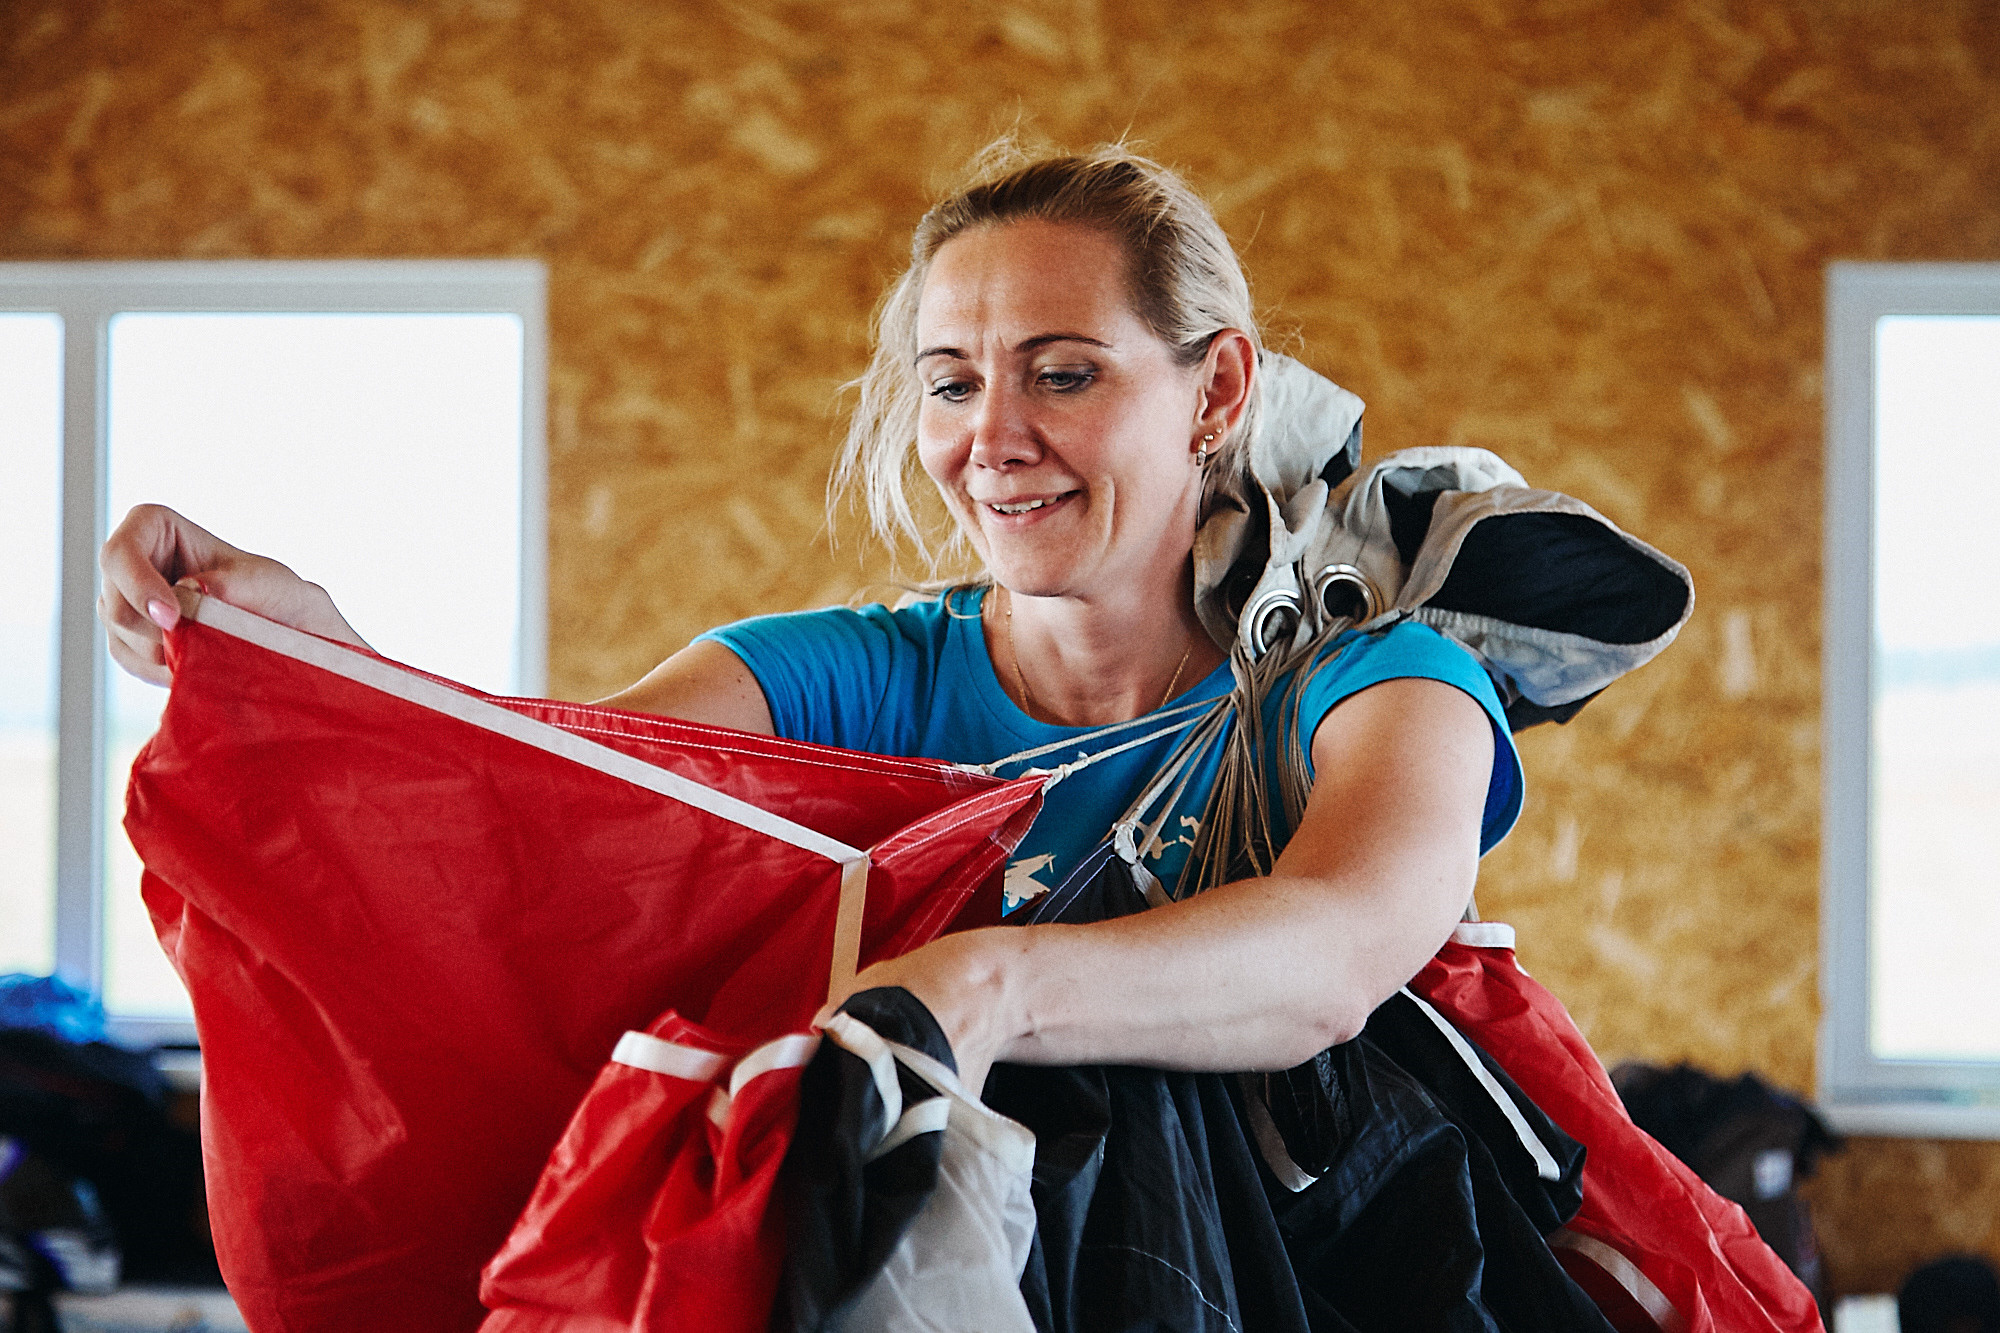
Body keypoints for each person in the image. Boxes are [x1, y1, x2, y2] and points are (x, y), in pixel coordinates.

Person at [97, 143, 1521, 1100]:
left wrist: (989, 982)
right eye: (951, 384)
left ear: (1219, 391)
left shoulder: (1383, 689)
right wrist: (313, 651)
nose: (991, 439)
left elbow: (1331, 954)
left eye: (1063, 374)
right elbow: (531, 800)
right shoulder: (853, 679)